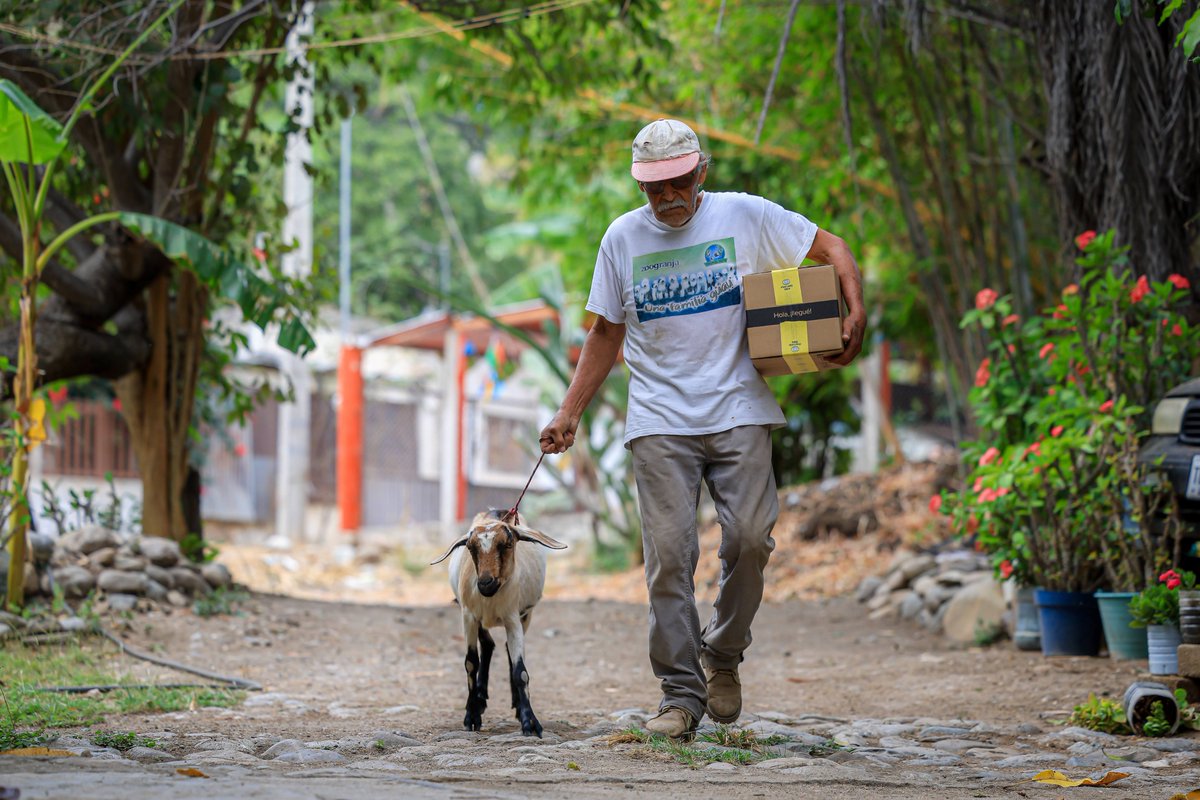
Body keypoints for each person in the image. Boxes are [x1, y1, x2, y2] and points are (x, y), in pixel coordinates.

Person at [539, 119, 866, 738]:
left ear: (701, 173)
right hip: (660, 418)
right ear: (639, 185)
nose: (667, 196)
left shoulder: (745, 215)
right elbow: (605, 331)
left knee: (750, 539)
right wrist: (568, 412)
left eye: (679, 181)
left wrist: (856, 310)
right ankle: (680, 696)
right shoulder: (622, 237)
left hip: (740, 406)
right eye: (654, 186)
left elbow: (833, 249)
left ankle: (723, 651)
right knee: (669, 558)